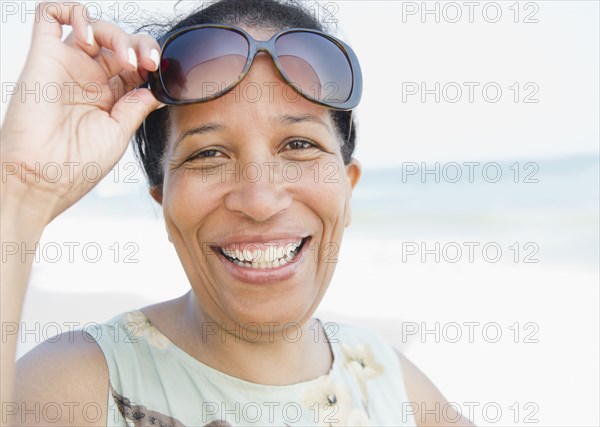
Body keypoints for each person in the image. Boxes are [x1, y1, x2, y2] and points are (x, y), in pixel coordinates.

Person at [1, 1, 474, 426]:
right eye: (208, 154)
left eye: (299, 144)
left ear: (347, 190)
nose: (260, 201)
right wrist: (21, 189)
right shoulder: (77, 387)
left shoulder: (390, 385)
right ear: (163, 202)